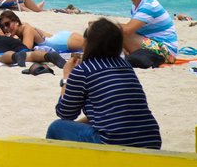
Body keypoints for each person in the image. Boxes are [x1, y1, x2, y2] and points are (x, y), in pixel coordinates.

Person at [47, 18, 161, 149]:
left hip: (114, 142)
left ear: (87, 43)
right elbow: (114, 112)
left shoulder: (84, 70)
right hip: (151, 140)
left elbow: (65, 114)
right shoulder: (125, 66)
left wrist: (67, 77)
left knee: (56, 128)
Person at [121, 0, 178, 68]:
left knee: (119, 33)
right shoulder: (136, 5)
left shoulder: (148, 6)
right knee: (113, 33)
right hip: (152, 42)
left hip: (166, 51)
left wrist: (103, 25)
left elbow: (127, 31)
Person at [0, 10, 85, 52]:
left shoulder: (27, 29)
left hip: (65, 41)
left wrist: (5, 39)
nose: (6, 28)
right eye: (3, 27)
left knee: (94, 47)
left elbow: (25, 49)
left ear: (16, 22)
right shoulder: (21, 32)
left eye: (7, 24)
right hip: (61, 38)